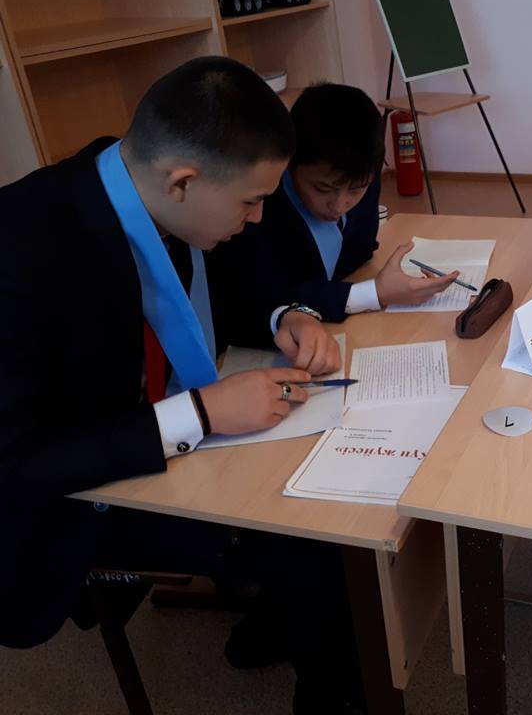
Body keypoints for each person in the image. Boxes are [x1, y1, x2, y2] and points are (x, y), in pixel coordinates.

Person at [0, 56, 363, 713]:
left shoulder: (145, 187)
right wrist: (199, 413)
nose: (259, 218)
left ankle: (283, 618)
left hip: (178, 427)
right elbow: (19, 462)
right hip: (76, 495)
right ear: (184, 182)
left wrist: (289, 316)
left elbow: (228, 292)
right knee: (319, 536)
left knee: (333, 490)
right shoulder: (22, 250)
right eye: (252, 201)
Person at [210, 82, 457, 326]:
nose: (339, 206)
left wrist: (386, 286)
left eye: (355, 191)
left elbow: (359, 252)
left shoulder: (362, 176)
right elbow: (259, 299)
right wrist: (373, 293)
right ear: (291, 163)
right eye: (323, 189)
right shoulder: (260, 207)